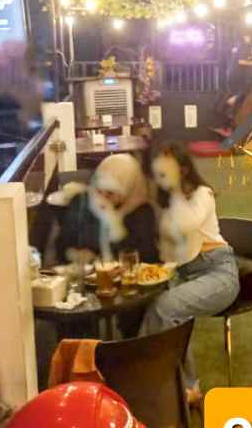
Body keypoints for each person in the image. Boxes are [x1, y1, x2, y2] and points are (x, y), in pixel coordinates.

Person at [139, 143, 239, 400]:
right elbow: (167, 247)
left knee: (165, 308)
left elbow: (187, 224)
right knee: (153, 307)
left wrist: (173, 191)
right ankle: (160, 381)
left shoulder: (202, 194)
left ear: (183, 168)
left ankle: (167, 383)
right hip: (183, 273)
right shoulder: (168, 202)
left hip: (218, 271)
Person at [56, 153, 158, 264]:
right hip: (85, 272)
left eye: (110, 193)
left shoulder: (142, 212)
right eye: (99, 190)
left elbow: (147, 258)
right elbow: (62, 244)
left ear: (128, 189)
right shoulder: (81, 202)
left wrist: (115, 226)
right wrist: (73, 254)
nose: (103, 197)